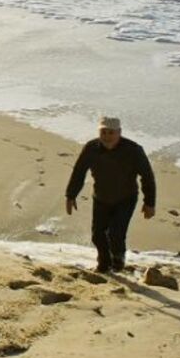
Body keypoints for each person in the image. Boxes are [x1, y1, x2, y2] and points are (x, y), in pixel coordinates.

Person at [64, 117, 156, 273]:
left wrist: (149, 203)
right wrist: (70, 195)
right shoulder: (91, 148)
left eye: (111, 132)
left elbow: (147, 177)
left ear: (119, 132)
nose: (107, 136)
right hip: (101, 198)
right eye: (103, 132)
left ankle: (118, 260)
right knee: (97, 235)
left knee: (116, 233)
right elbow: (79, 171)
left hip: (126, 198)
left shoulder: (133, 150)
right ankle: (104, 264)